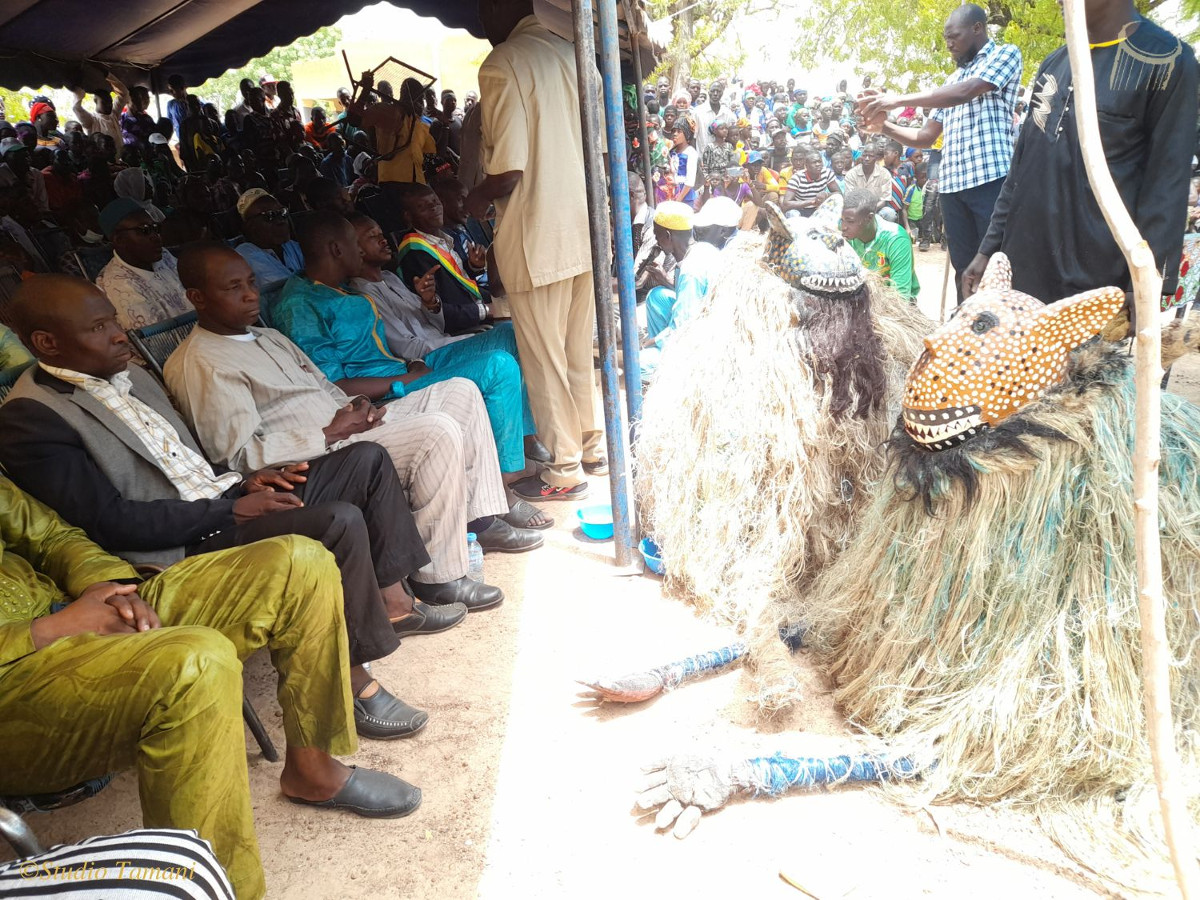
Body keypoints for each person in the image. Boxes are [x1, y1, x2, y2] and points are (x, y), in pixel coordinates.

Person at [0, 274, 463, 729]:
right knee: (335, 521)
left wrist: (245, 483)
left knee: (365, 459)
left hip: (220, 504)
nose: (120, 335)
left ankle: (391, 605)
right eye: (98, 327)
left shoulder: (130, 377)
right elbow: (108, 523)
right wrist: (231, 509)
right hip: (173, 548)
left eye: (113, 320)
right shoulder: (31, 419)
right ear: (47, 342)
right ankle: (350, 680)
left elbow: (187, 463)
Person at [0, 472, 422, 899]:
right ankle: (228, 890)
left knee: (301, 561)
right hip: (17, 674)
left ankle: (311, 768)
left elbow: (52, 536)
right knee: (196, 666)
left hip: (76, 609)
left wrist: (106, 587)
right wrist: (44, 632)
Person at [166, 241, 542, 606]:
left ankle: (479, 522)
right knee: (436, 431)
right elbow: (237, 454)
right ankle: (439, 577)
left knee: (460, 390)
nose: (251, 295)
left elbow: (324, 387)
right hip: (319, 455)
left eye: (251, 282)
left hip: (348, 427)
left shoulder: (267, 337)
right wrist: (330, 432)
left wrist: (359, 406)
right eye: (234, 288)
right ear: (197, 297)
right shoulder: (201, 363)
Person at [962, 0, 1197, 306]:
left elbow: (1167, 185)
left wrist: (1146, 285)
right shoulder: (1054, 63)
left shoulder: (1169, 63)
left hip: (1094, 284)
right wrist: (988, 249)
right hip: (1020, 268)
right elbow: (1021, 168)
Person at [466, 0, 606, 500]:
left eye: (483, 11)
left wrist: (474, 198)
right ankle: (591, 444)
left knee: (543, 357)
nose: (481, 23)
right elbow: (602, 148)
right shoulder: (578, 55)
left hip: (537, 234)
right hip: (586, 230)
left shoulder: (504, 62)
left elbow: (508, 170)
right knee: (575, 348)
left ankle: (566, 469)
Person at [275, 212, 537, 477]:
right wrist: (407, 378)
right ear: (337, 249)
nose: (361, 252)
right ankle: (509, 477)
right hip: (388, 390)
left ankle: (526, 444)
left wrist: (412, 363)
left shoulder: (342, 288)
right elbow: (334, 386)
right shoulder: (301, 305)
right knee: (497, 366)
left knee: (509, 335)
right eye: (357, 243)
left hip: (409, 368)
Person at [858, 3, 1022, 301]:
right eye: (946, 39)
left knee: (996, 267)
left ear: (977, 28)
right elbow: (925, 136)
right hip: (952, 187)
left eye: (954, 37)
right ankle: (965, 338)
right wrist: (883, 127)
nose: (949, 45)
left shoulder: (1005, 54)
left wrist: (893, 100)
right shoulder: (949, 81)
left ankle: (1001, 336)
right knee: (964, 269)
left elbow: (968, 91)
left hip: (992, 182)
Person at [395, 183, 489, 334]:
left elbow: (457, 283)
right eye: (423, 207)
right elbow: (439, 307)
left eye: (435, 202)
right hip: (463, 326)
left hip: (479, 308)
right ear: (409, 216)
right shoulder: (414, 253)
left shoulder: (447, 236)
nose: (434, 208)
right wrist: (486, 310)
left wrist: (473, 267)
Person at [95, 198, 191, 329]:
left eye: (156, 228)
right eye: (144, 230)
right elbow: (159, 342)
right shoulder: (119, 287)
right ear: (119, 240)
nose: (156, 237)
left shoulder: (163, 256)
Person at [351, 74, 437, 189]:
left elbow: (433, 155)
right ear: (413, 100)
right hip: (392, 184)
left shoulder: (421, 125)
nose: (422, 105)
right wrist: (365, 90)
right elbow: (354, 119)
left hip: (417, 186)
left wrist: (444, 125)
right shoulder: (386, 111)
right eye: (420, 99)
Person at [840, 188, 920, 301]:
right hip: (862, 300)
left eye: (850, 221)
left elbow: (901, 295)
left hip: (892, 305)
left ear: (869, 218)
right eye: (842, 220)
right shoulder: (847, 235)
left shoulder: (896, 239)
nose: (843, 227)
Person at [233, 188, 304, 300]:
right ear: (250, 226)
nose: (281, 220)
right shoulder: (246, 255)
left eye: (282, 212)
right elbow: (291, 291)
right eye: (269, 215)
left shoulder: (289, 246)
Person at [782, 147, 840, 218]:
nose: (818, 164)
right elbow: (786, 204)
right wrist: (812, 201)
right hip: (800, 209)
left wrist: (826, 195)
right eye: (814, 162)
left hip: (819, 209)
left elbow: (838, 194)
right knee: (792, 214)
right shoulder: (797, 178)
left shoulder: (827, 173)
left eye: (819, 161)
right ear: (806, 165)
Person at [71, 79, 127, 145]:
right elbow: (76, 108)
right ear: (95, 101)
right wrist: (80, 91)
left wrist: (108, 76)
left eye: (110, 102)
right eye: (104, 102)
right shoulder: (91, 120)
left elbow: (124, 94)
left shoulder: (114, 114)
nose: (109, 105)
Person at [843, 141, 891, 208]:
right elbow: (849, 198)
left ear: (876, 158)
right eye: (864, 155)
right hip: (856, 208)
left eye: (871, 156)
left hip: (876, 208)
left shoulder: (884, 174)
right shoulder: (851, 174)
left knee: (889, 213)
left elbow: (884, 200)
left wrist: (870, 211)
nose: (867, 159)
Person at [668, 118, 700, 206]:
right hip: (671, 194)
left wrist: (678, 199)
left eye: (679, 131)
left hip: (685, 197)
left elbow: (690, 181)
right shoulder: (671, 152)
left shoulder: (691, 153)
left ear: (686, 134)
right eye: (673, 131)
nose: (675, 134)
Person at [166, 74, 189, 142]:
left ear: (182, 88)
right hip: (182, 141)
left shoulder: (194, 102)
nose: (171, 93)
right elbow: (170, 125)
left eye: (172, 90)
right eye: (169, 90)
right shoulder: (171, 105)